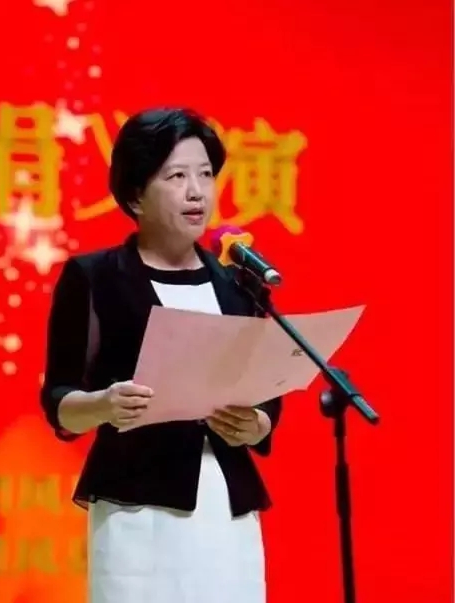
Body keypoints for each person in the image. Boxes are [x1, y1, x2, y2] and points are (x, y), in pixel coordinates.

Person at [40, 107, 283, 603]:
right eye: (176, 177)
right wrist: (105, 404)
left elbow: (265, 398)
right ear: (135, 195)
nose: (197, 192)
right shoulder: (95, 278)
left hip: (225, 506)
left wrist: (258, 424)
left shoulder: (239, 284)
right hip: (138, 511)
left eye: (206, 175)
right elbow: (59, 400)